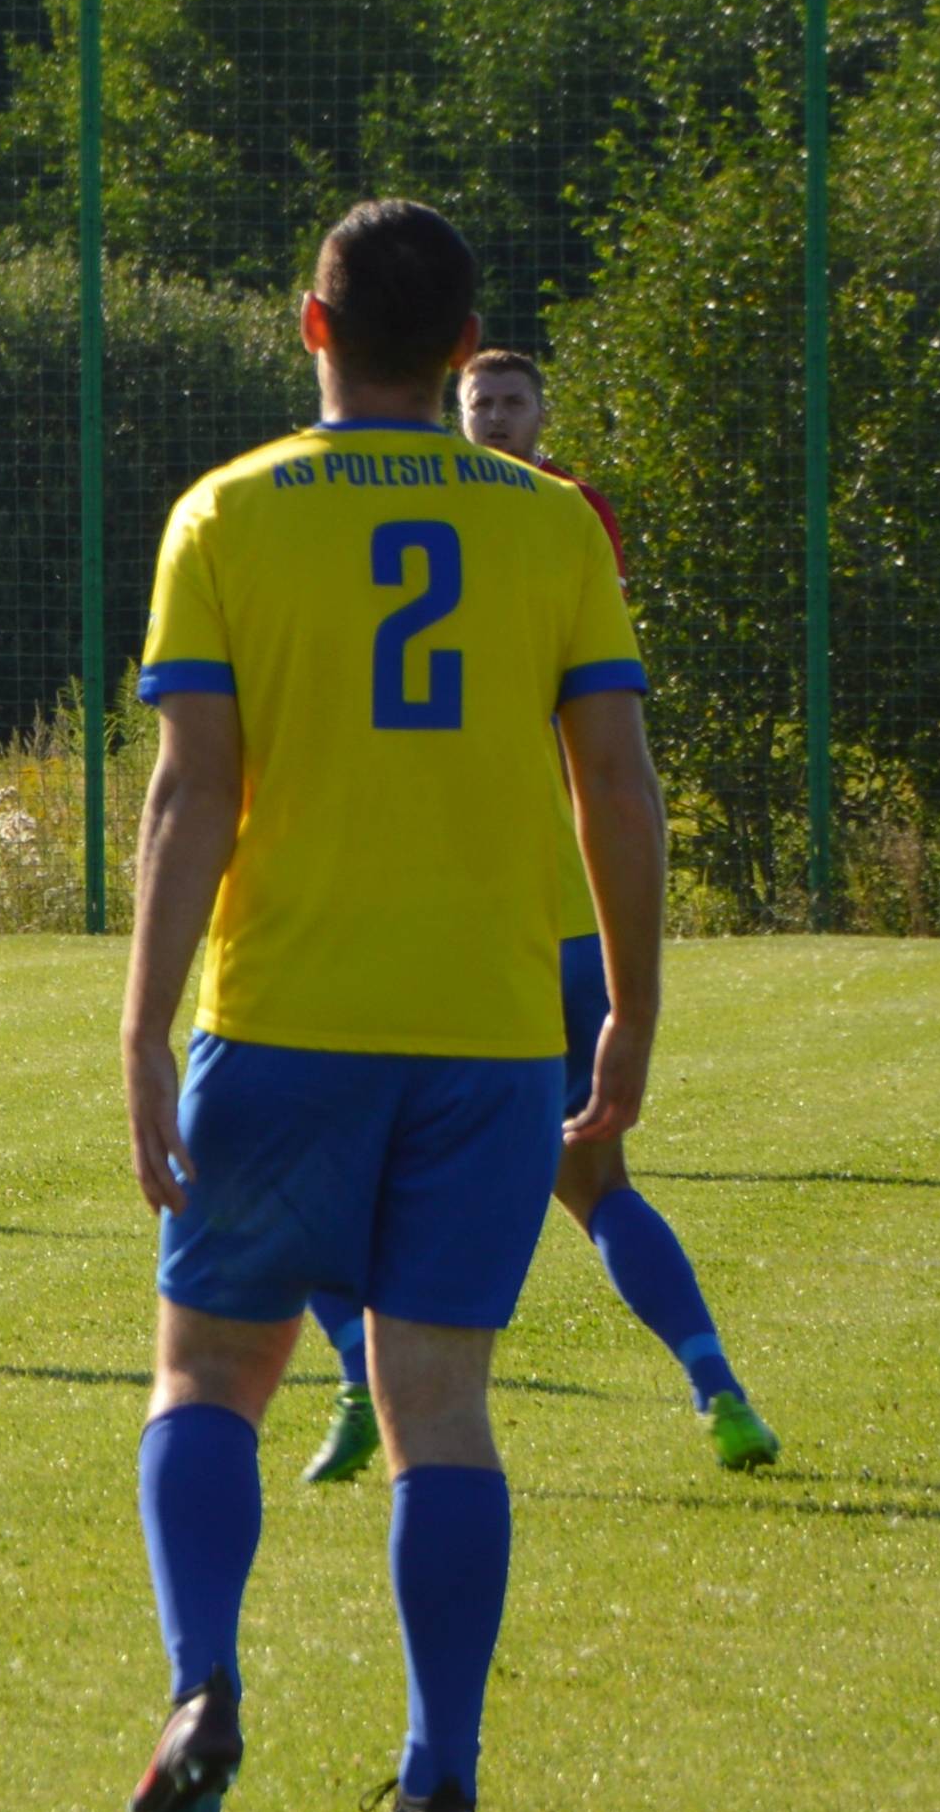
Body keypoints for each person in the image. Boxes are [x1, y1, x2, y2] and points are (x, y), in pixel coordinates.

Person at [120, 200, 667, 1812]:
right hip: (490, 1025)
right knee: (438, 1399)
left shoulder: (223, 515)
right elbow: (618, 784)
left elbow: (188, 791)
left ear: (309, 327)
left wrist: (144, 1028)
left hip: (283, 1009)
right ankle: (436, 1768)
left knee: (212, 1368)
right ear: (457, 347)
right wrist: (628, 1012)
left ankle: (202, 1680)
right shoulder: (546, 525)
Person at [302, 348, 778, 1486]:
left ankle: (363, 1380)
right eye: (484, 401)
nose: (500, 418)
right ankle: (718, 1386)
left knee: (292, 1175)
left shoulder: (334, 518)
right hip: (561, 912)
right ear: (457, 404)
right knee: (599, 1187)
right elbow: (615, 768)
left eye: (514, 402)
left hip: (418, 918)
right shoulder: (554, 529)